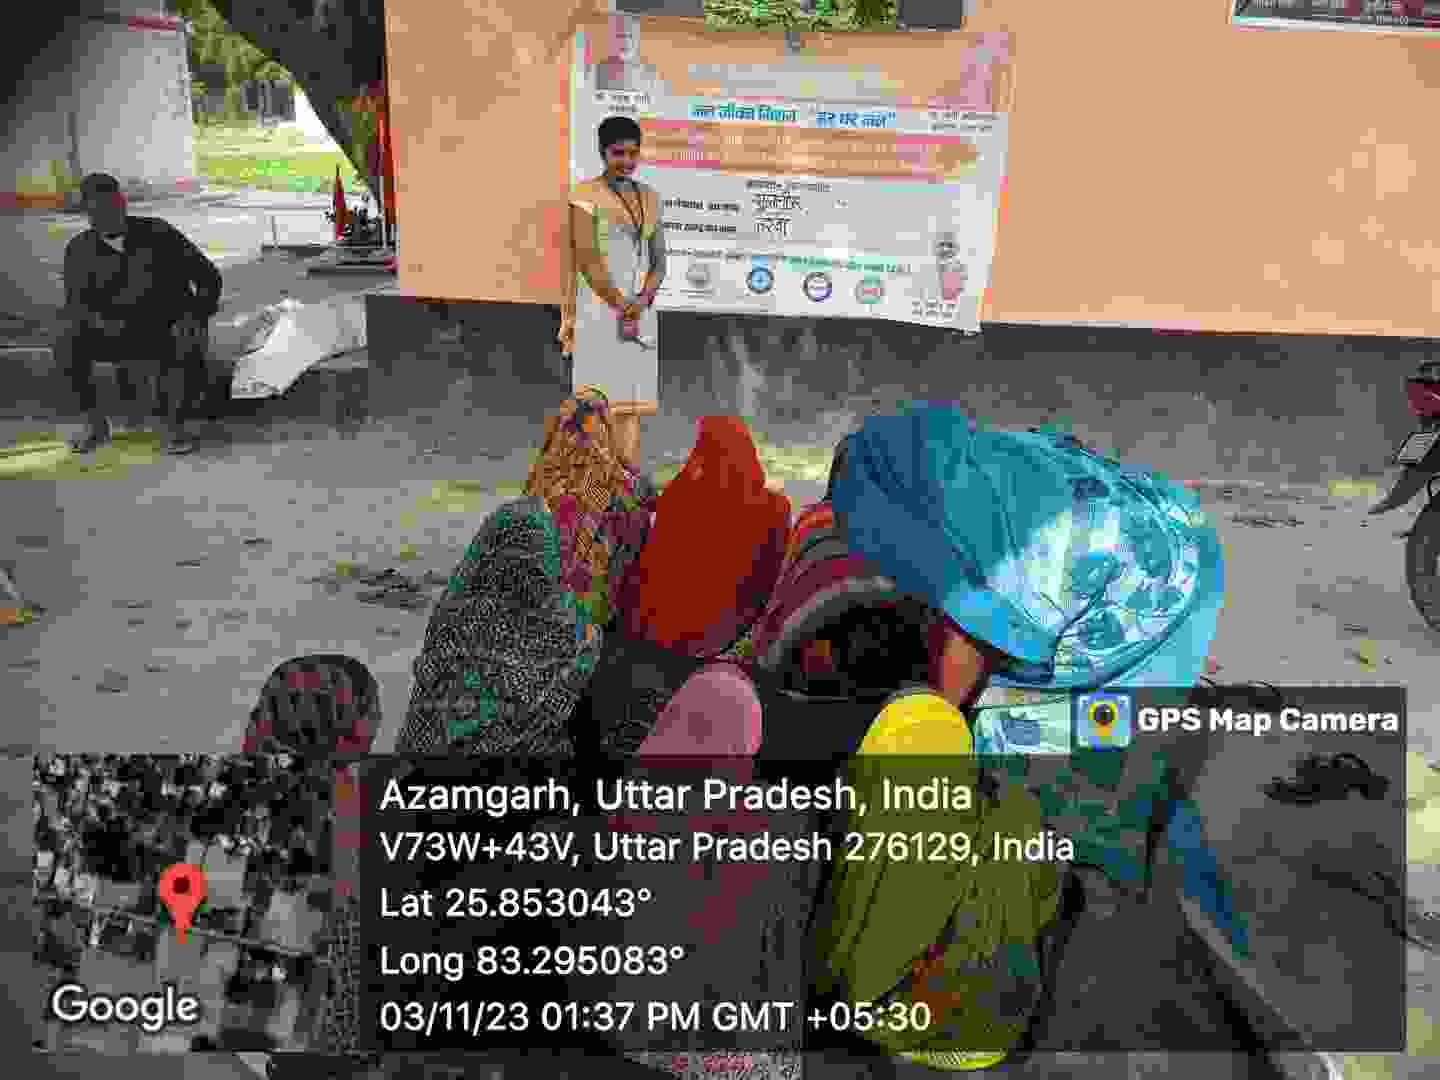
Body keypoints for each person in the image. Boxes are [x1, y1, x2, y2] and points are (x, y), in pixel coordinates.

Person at [59, 172, 222, 455]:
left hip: (169, 327)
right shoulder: (79, 249)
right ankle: (94, 425)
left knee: (185, 338)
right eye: (97, 212)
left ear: (122, 203)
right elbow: (77, 304)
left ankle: (175, 427)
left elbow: (209, 277)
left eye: (112, 208)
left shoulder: (159, 233)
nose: (107, 217)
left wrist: (196, 315)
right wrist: (97, 323)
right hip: (115, 331)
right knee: (66, 341)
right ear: (87, 214)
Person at [621, 416, 791, 658]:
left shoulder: (683, 500)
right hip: (736, 628)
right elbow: (771, 577)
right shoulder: (776, 509)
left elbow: (656, 565)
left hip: (668, 631)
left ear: (702, 454)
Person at [562, 116, 667, 415]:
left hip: (640, 312)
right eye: (618, 153)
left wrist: (642, 301)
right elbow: (587, 258)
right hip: (599, 308)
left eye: (633, 153)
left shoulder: (651, 197)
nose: (627, 161)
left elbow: (660, 261)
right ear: (602, 152)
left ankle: (627, 455)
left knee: (632, 408)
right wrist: (621, 305)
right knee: (595, 407)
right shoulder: (584, 195)